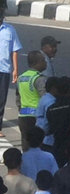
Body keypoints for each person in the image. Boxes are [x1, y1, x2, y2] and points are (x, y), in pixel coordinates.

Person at [17, 51, 47, 151]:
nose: (45, 62)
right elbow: (45, 98)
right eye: (43, 60)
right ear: (36, 63)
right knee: (39, 147)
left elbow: (18, 97)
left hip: (23, 116)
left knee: (26, 148)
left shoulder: (21, 78)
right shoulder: (39, 78)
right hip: (36, 117)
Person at [0, 8, 22, 137]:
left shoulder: (10, 30)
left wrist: (15, 70)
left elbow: (15, 50)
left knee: (1, 99)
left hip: (4, 69)